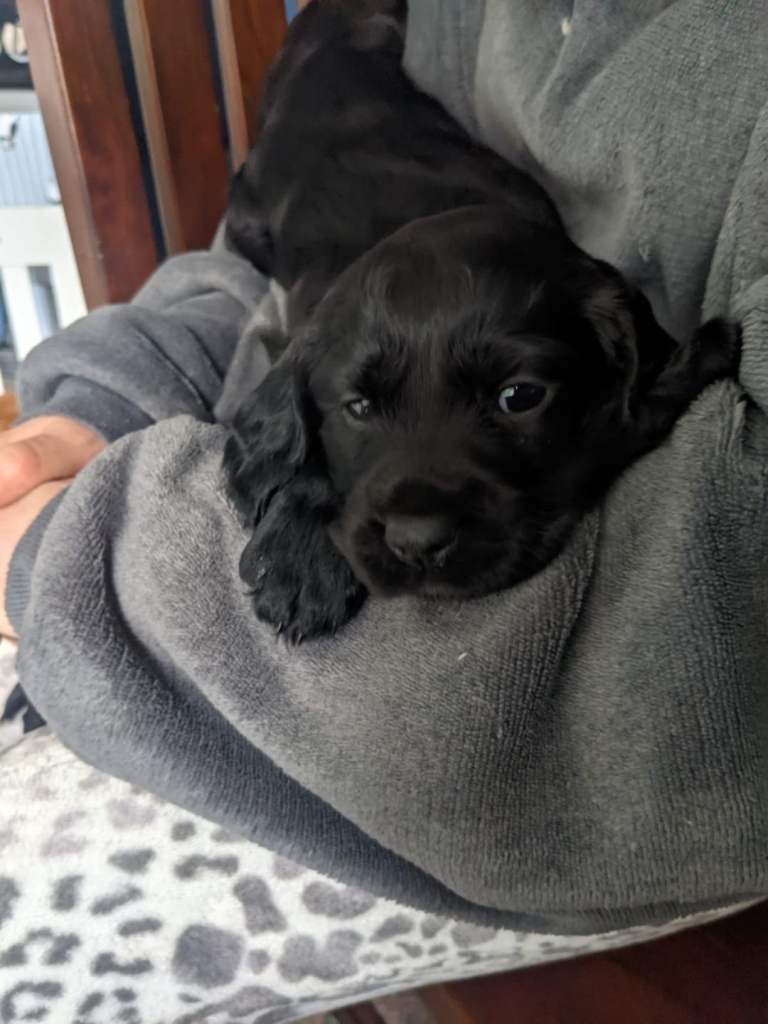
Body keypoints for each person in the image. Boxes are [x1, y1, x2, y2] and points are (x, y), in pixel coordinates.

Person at [2, 0, 768, 941]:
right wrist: (107, 400)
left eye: (517, 400)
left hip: (476, 843)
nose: (416, 521)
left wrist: (63, 551)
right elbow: (294, 275)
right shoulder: (414, 42)